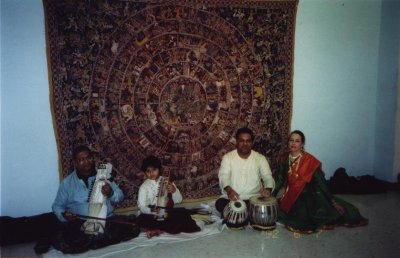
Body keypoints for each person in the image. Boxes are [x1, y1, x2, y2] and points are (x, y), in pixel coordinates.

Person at [44, 145, 139, 254]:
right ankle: (96, 239)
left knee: (131, 226)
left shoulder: (103, 176)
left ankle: (94, 240)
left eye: (88, 158)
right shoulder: (67, 183)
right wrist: (64, 215)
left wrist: (111, 193)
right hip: (81, 224)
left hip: (106, 220)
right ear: (74, 162)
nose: (86, 162)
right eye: (81, 160)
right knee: (71, 237)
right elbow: (57, 206)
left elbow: (120, 196)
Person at [273, 130, 368, 233]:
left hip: (309, 195)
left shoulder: (309, 161)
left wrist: (332, 201)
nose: (293, 143)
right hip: (291, 194)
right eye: (291, 140)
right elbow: (280, 179)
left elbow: (321, 183)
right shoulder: (284, 158)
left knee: (304, 219)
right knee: (278, 211)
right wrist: (272, 194)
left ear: (302, 144)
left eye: (297, 141)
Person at [216, 127, 275, 226]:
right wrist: (229, 190)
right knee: (220, 203)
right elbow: (223, 176)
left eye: (248, 141)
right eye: (241, 141)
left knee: (268, 206)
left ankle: (239, 216)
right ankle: (247, 216)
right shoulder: (228, 158)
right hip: (232, 198)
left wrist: (268, 189)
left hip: (253, 198)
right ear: (236, 142)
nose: (245, 144)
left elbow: (268, 177)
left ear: (252, 143)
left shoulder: (260, 158)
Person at [137, 155, 200, 237]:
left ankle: (159, 229)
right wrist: (154, 210)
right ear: (145, 172)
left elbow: (178, 200)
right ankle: (159, 229)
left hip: (166, 213)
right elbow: (142, 207)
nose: (151, 173)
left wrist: (174, 191)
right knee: (142, 219)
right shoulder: (144, 187)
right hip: (150, 215)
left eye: (154, 170)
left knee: (182, 213)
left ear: (159, 169)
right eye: (148, 171)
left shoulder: (166, 181)